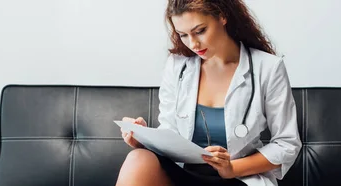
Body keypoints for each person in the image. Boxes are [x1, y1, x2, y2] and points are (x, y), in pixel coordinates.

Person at [116, 0, 301, 185]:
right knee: (138, 158)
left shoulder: (268, 68)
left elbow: (287, 143)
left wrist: (231, 169)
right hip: (184, 173)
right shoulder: (177, 65)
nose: (193, 44)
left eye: (200, 31)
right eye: (183, 35)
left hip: (237, 176)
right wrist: (143, 140)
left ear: (222, 16)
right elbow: (169, 132)